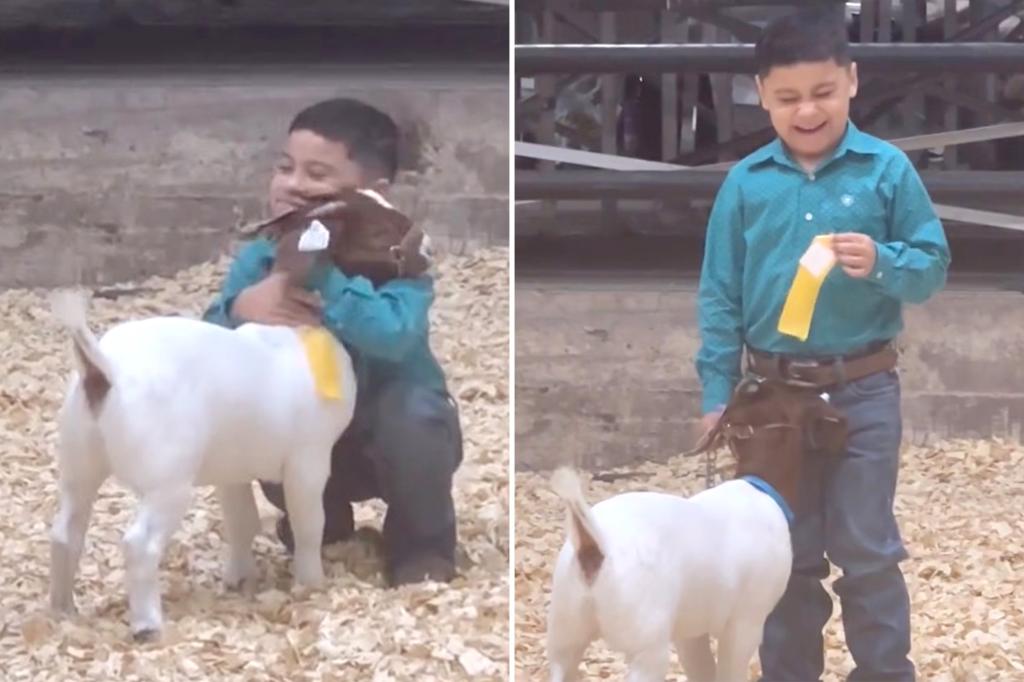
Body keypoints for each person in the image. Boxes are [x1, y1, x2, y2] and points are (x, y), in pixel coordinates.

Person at [695, 7, 950, 681]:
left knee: (868, 548)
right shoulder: (745, 184)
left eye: (823, 92)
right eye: (788, 98)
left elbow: (932, 267)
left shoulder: (887, 171)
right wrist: (716, 392)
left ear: (852, 81)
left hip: (865, 387)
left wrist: (887, 260)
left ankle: (886, 673)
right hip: (772, 395)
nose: (807, 110)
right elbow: (720, 296)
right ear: (762, 96)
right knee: (782, 552)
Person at [203, 97, 463, 587]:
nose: (294, 184)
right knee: (259, 415)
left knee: (415, 417)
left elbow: (394, 335)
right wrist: (238, 311)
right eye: (285, 167)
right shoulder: (261, 258)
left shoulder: (398, 258)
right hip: (305, 434)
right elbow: (209, 350)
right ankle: (319, 523)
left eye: (317, 174)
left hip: (382, 434)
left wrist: (324, 277)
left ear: (373, 190)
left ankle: (421, 544)